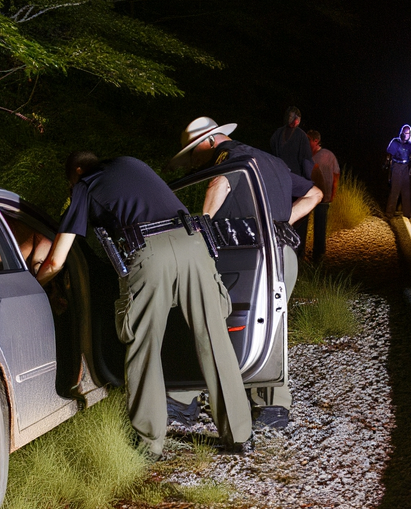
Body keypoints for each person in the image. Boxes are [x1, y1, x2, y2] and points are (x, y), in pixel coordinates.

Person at [36, 151, 251, 456]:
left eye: (70, 183)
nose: (72, 190)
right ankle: (240, 436)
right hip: (194, 243)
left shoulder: (84, 185)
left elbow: (56, 260)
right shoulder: (130, 163)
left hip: (150, 254)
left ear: (78, 171)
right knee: (215, 339)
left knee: (144, 348)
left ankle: (150, 444)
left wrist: (34, 285)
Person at [170, 116, 322, 428]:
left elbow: (221, 182)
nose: (193, 160)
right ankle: (273, 407)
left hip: (241, 253)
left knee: (208, 318)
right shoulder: (271, 161)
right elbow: (316, 194)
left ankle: (186, 398)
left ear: (210, 141)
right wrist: (278, 224)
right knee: (272, 323)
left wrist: (199, 233)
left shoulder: (229, 156)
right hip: (281, 254)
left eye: (194, 151)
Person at [270, 106, 314, 252]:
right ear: (298, 120)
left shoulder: (277, 134)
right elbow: (306, 161)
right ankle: (295, 251)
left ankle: (281, 248)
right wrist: (308, 181)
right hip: (294, 183)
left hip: (279, 180)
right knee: (297, 217)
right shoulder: (301, 136)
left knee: (281, 215)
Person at [307, 130, 340, 263]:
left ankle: (318, 255)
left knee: (320, 225)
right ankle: (302, 252)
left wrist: (332, 193)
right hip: (308, 195)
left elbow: (336, 174)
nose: (307, 142)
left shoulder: (327, 155)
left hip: (323, 196)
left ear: (316, 141)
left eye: (308, 139)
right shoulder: (308, 155)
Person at [386, 124, 411, 218]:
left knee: (406, 192)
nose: (406, 135)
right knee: (395, 191)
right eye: (405, 132)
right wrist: (388, 167)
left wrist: (410, 170)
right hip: (397, 167)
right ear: (401, 132)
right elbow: (389, 155)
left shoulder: (410, 145)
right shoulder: (395, 142)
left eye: (408, 133)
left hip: (405, 168)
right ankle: (389, 213)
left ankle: (407, 214)